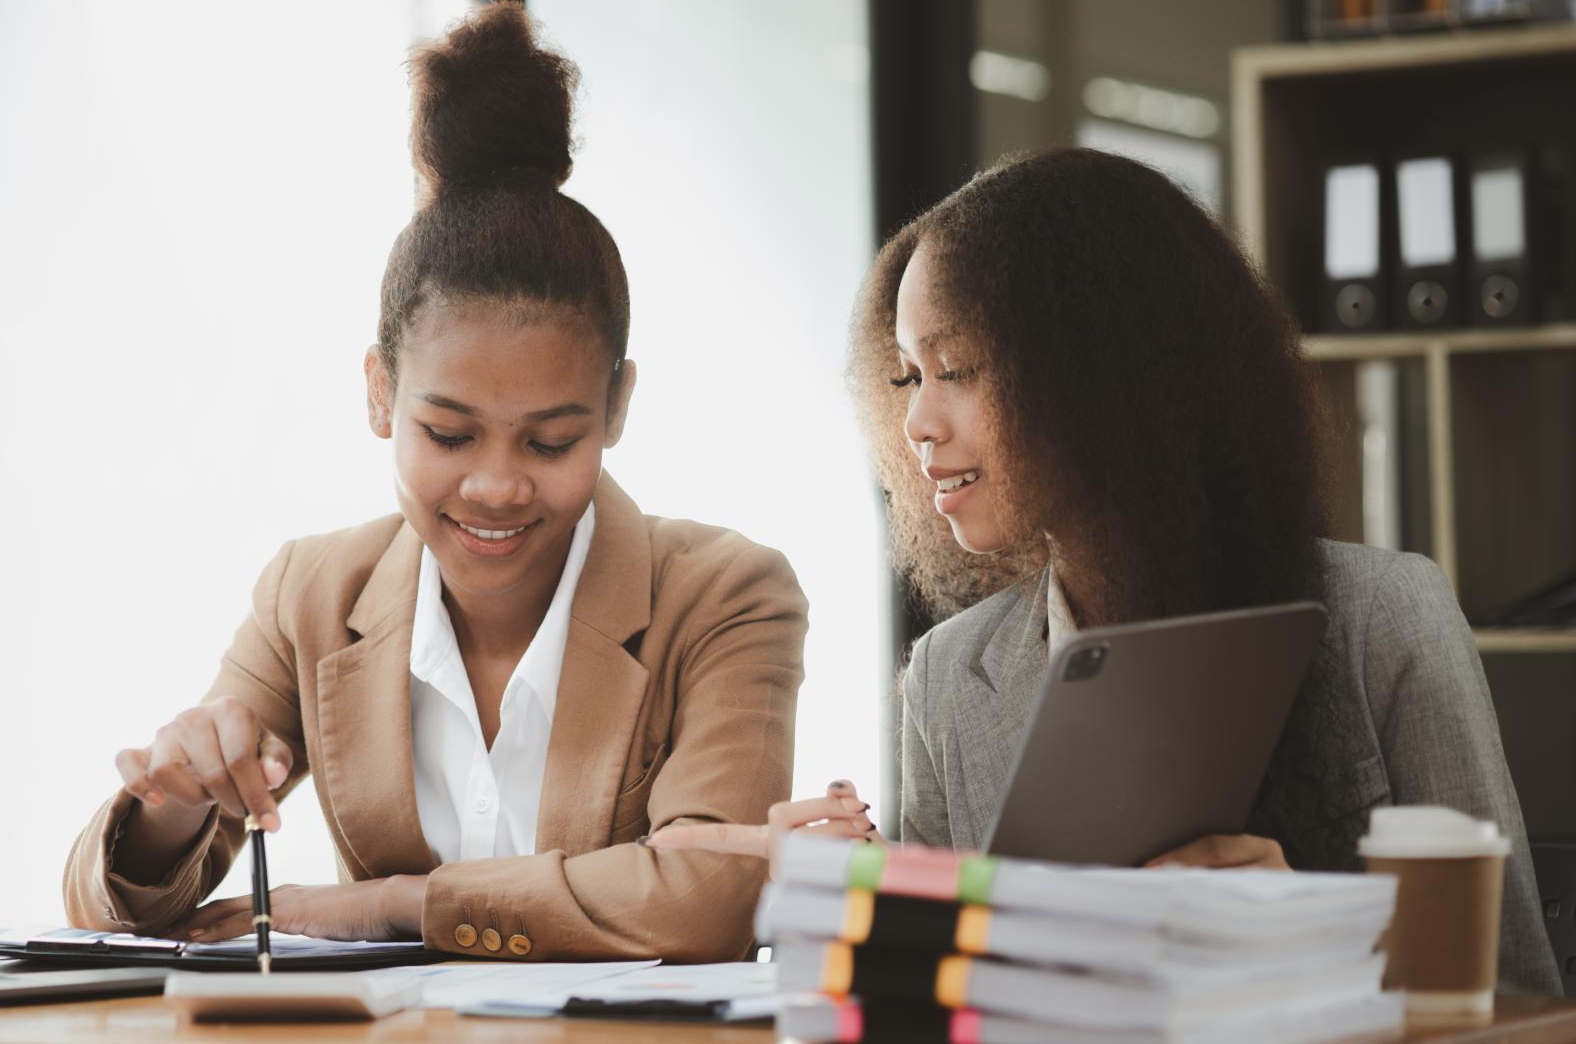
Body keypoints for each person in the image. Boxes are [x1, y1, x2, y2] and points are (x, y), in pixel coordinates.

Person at [650, 148, 1559, 993]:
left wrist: (1317, 936)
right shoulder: (948, 684)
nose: (919, 422)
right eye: (907, 377)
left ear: (1100, 374)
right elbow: (936, 1009)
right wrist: (837, 913)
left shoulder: (1383, 619)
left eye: (957, 368)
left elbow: (1521, 992)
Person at [63, 1, 806, 962]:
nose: (496, 487)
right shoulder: (313, 595)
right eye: (449, 434)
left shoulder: (725, 595)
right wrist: (172, 808)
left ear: (617, 407)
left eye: (549, 443)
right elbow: (117, 909)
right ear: (380, 393)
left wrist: (403, 903)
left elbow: (712, 895)